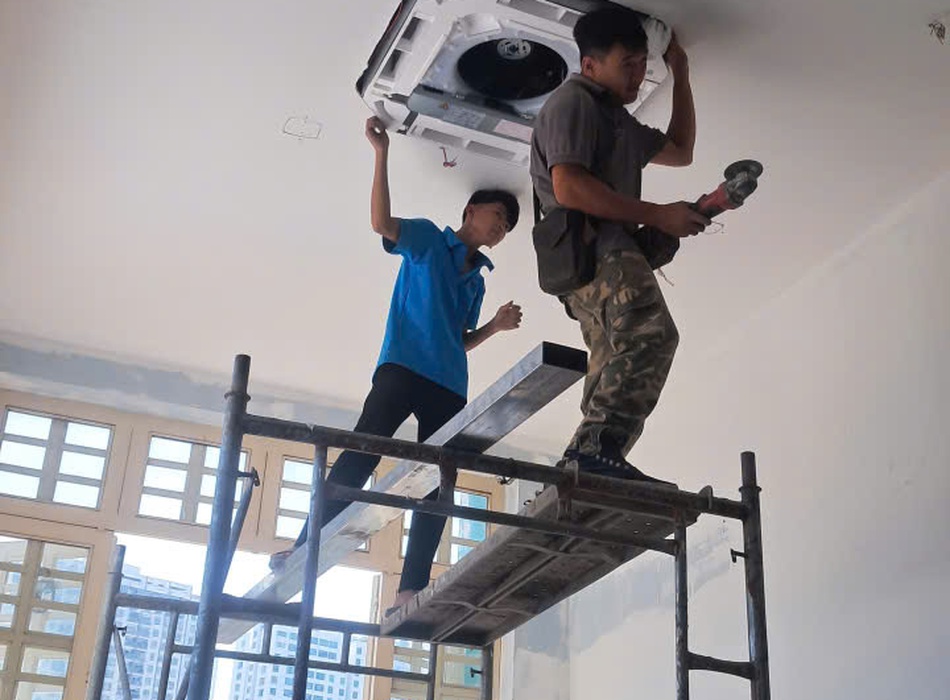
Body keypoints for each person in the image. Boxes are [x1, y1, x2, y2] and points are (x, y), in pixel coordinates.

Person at [271, 116, 523, 613]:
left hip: (448, 385)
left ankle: (410, 587)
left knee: (438, 481)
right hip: (403, 367)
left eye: (507, 226)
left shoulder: (477, 282)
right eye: (497, 215)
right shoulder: (428, 239)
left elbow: (459, 340)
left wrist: (494, 327)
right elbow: (382, 224)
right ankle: (304, 546)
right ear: (470, 211)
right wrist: (381, 152)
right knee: (361, 453)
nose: (500, 227)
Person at [529, 7, 709, 484]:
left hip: (594, 263)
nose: (638, 74)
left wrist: (680, 71)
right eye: (627, 64)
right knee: (651, 335)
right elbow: (568, 187)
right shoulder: (574, 102)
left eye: (642, 63)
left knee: (612, 360)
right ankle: (595, 454)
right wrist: (658, 215)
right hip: (596, 249)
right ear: (590, 65)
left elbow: (681, 151)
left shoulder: (618, 120)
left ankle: (585, 466)